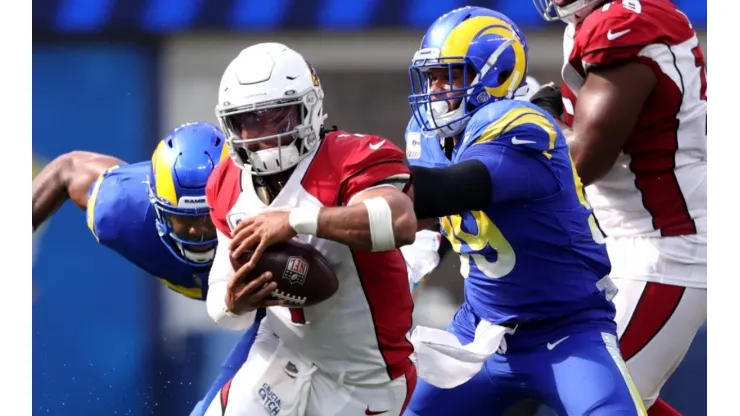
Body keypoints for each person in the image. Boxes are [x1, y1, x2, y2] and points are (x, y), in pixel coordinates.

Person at [399, 6, 645, 415]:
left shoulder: (522, 125)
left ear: (494, 75)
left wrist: (361, 186)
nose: (437, 90)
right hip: (479, 330)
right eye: (433, 77)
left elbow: (453, 188)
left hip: (566, 333)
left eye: (450, 76)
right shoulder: (427, 136)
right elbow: (422, 223)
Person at [202, 42, 418, 416]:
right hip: (284, 350)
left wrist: (293, 220)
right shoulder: (227, 183)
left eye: (277, 117)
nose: (263, 135)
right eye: (249, 121)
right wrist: (233, 303)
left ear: (309, 108)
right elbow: (220, 297)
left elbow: (400, 222)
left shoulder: (349, 158)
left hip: (365, 375)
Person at [530, 1, 707, 414]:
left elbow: (582, 161)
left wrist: (518, 128)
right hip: (625, 239)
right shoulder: (593, 21)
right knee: (589, 392)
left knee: (599, 399)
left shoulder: (624, 24)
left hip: (669, 245)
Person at [31, 121, 266, 414]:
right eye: (183, 220)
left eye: (205, 220)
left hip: (273, 310)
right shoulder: (120, 208)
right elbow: (66, 170)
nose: (195, 234)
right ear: (157, 208)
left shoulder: (262, 219)